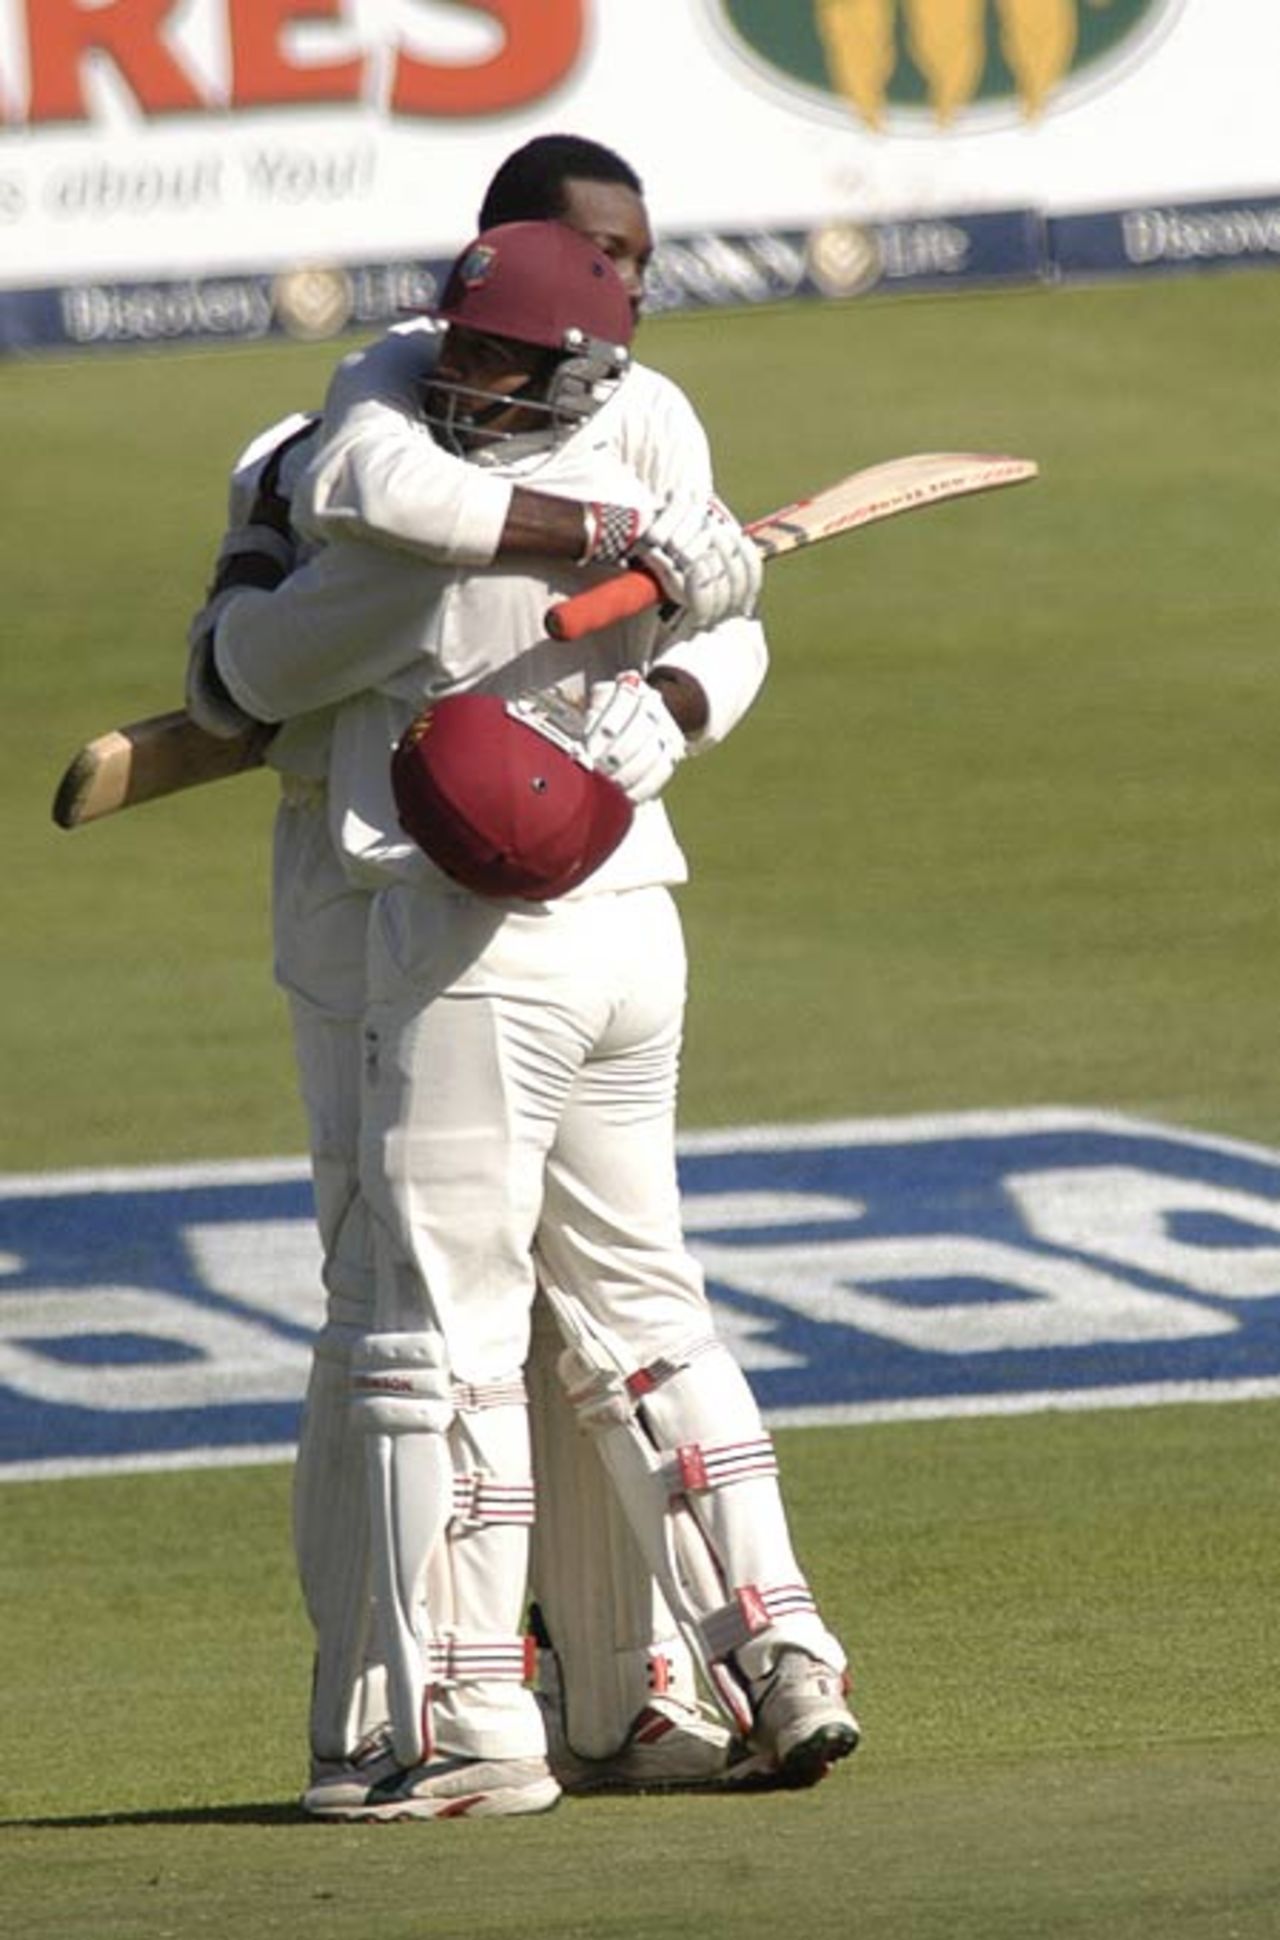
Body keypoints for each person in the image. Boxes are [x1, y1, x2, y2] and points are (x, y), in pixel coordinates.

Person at [189, 217, 858, 1822]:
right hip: (632, 928)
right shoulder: (601, 442)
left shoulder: (376, 520)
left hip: (460, 939)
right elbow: (713, 602)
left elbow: (245, 677)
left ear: (586, 352)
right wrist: (659, 613)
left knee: (433, 1334)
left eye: (506, 359)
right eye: (462, 350)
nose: (470, 382)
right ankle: (749, 1659)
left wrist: (235, 598)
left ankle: (457, 1721)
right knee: (635, 1309)